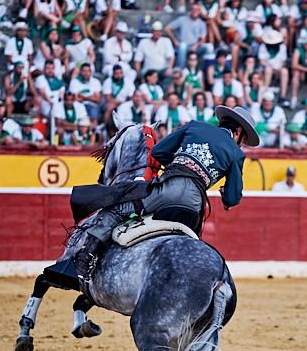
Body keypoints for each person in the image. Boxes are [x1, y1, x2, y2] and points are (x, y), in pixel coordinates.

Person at [70, 106, 260, 281]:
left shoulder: (195, 126)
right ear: (237, 131)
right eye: (243, 140)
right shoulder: (236, 154)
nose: (241, 144)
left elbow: (158, 152)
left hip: (165, 190)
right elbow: (233, 198)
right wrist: (225, 194)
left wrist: (178, 164)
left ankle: (84, 259)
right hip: (194, 206)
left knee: (117, 210)